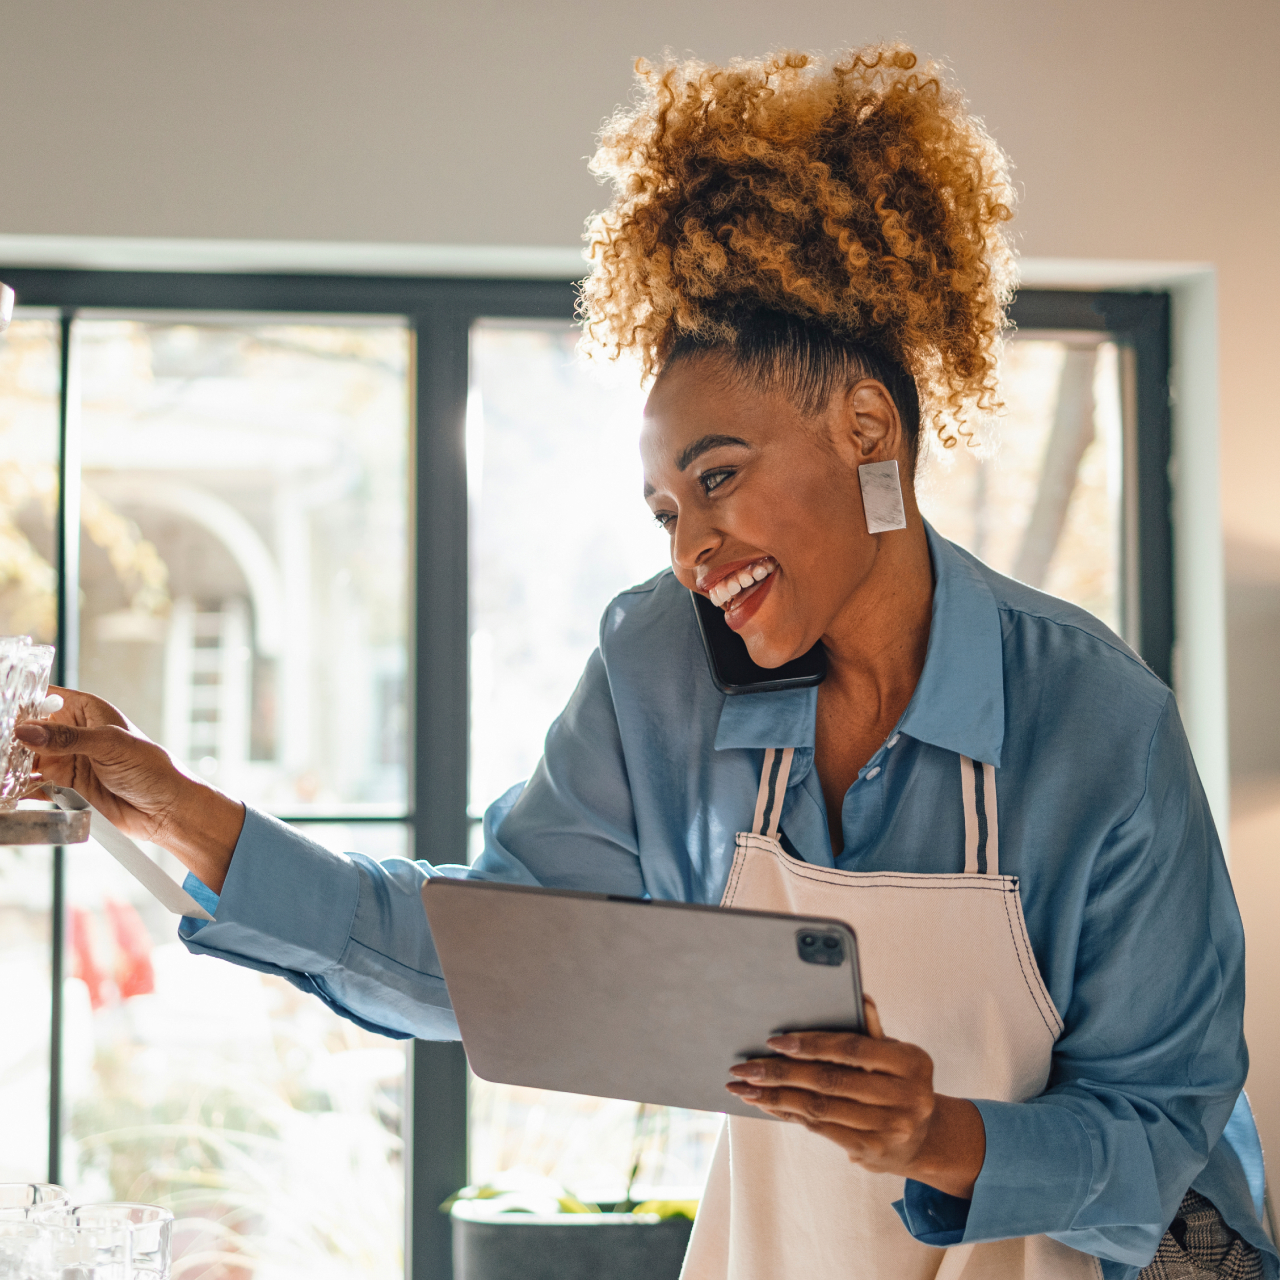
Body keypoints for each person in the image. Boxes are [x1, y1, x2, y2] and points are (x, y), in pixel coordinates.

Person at [17, 43, 1276, 1280]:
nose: (692, 549)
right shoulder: (659, 667)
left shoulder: (1094, 721)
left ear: (866, 426)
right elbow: (491, 952)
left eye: (718, 477)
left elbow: (1161, 1132)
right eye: (666, 510)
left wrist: (938, 1132)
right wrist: (193, 819)